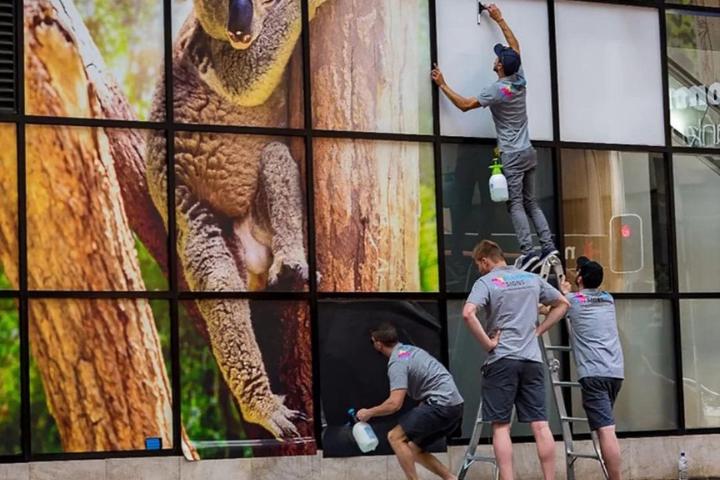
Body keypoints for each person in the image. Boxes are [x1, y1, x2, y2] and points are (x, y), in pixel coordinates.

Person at [431, 3, 558, 271]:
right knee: (531, 202)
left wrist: (443, 84)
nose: (497, 57)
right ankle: (548, 246)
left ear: (499, 66)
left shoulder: (497, 90)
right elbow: (515, 45)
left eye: (499, 57)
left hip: (512, 154)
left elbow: (465, 105)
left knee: (515, 205)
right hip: (528, 152)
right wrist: (500, 19)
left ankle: (529, 250)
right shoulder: (518, 78)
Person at [463, 240, 569, 480]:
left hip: (501, 360)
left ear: (484, 261)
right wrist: (539, 331)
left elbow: (468, 313)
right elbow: (563, 303)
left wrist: (488, 344)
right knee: (541, 425)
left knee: (500, 426)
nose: (479, 270)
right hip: (532, 360)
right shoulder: (530, 279)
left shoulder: (487, 282)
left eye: (478, 265)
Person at [358, 323, 464, 480]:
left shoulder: (397, 363)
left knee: (395, 437)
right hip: (455, 405)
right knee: (413, 447)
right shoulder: (409, 352)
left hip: (442, 404)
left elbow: (395, 404)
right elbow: (428, 378)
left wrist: (369, 412)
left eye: (372, 342)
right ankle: (450, 478)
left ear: (378, 344)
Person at [550, 257, 624, 480]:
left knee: (606, 430)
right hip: (615, 372)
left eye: (577, 272)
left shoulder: (572, 301)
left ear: (580, 278)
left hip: (593, 375)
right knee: (605, 427)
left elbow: (548, 309)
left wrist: (561, 293)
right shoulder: (607, 299)